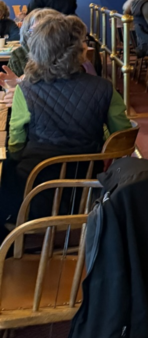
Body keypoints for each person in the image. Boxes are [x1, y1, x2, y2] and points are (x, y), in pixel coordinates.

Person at [0, 14, 132, 228]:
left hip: (34, 192)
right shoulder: (104, 88)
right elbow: (122, 138)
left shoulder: (24, 91)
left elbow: (15, 145)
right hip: (88, 188)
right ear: (77, 52)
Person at [6, 7, 58, 77]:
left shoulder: (65, 55)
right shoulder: (18, 55)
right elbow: (8, 85)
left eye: (46, 30)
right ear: (26, 34)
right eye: (34, 31)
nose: (40, 35)